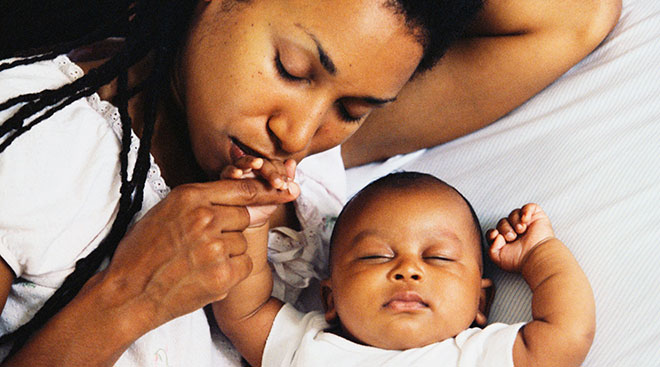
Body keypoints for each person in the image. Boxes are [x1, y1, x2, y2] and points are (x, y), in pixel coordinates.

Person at [0, 0, 618, 365]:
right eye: (291, 69)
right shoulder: (35, 140)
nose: (298, 134)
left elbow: (576, 16)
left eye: (353, 110)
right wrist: (130, 296)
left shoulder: (311, 163)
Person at [214, 171, 596, 367]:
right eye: (375, 256)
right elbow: (243, 311)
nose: (408, 270)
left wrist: (540, 253)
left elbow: (568, 333)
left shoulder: (476, 356)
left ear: (480, 301)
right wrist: (250, 222)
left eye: (439, 257)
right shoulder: (307, 347)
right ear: (330, 298)